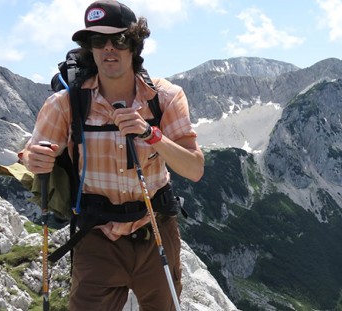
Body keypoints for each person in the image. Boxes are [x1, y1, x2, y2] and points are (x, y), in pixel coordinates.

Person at [18, 0, 204, 309]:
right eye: (97, 40)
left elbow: (195, 168)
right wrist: (31, 158)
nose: (108, 48)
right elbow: (30, 154)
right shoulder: (65, 104)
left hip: (154, 228)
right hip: (97, 237)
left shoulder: (166, 98)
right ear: (88, 47)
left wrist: (151, 133)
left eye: (118, 40)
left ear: (134, 44)